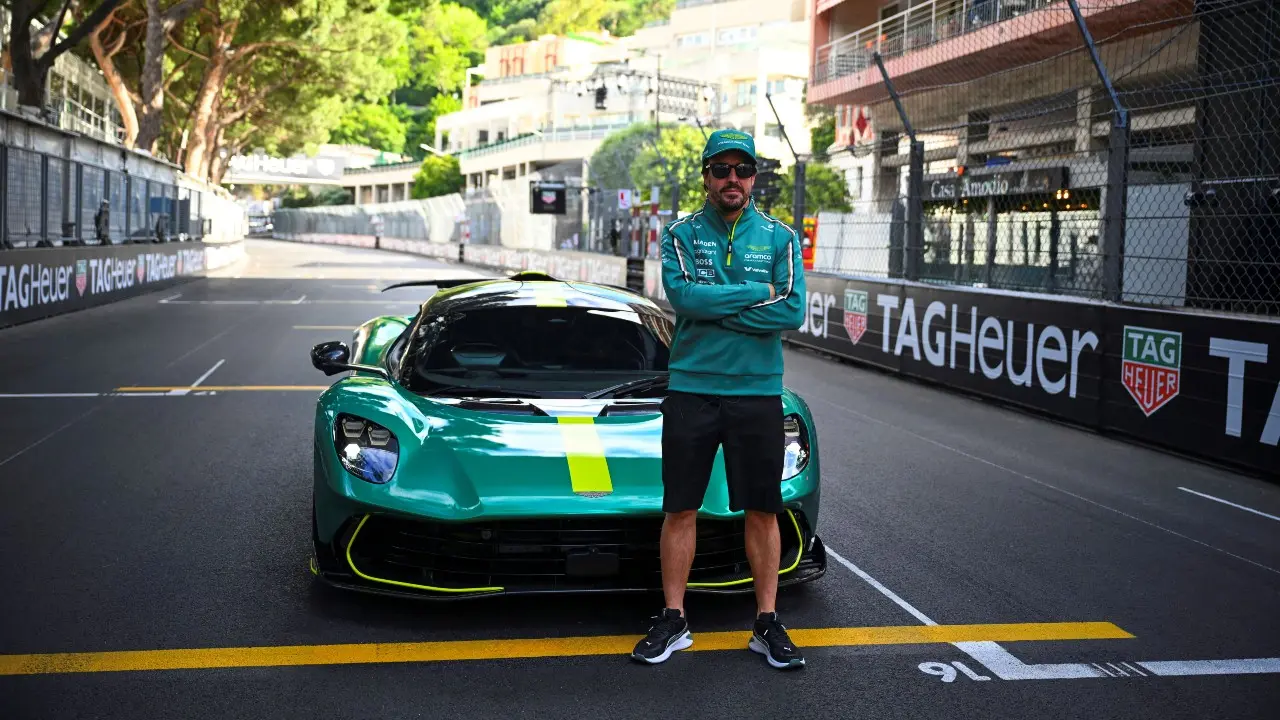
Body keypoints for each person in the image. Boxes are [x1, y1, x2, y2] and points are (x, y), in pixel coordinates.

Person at [630, 129, 807, 670]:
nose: (733, 179)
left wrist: (717, 308)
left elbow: (791, 310)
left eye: (743, 169)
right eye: (722, 169)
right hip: (692, 389)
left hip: (757, 391)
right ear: (705, 176)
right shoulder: (680, 233)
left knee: (763, 509)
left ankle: (767, 621)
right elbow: (684, 298)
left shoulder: (781, 238)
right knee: (680, 507)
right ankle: (674, 618)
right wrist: (755, 294)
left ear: (754, 177)